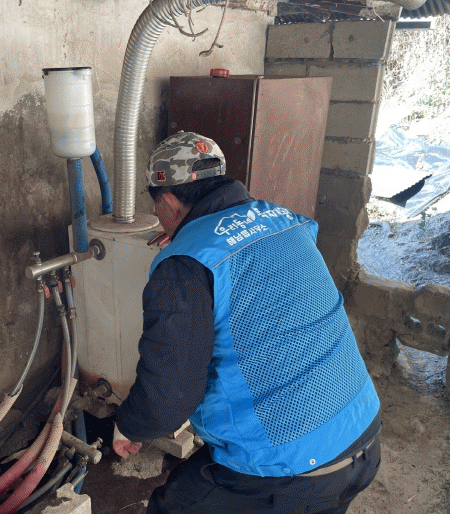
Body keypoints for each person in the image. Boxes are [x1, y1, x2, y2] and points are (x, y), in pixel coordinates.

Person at [113, 131, 381, 514]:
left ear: (168, 201)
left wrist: (130, 425)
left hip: (292, 468)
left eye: (156, 205)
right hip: (362, 431)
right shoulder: (286, 220)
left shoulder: (185, 267)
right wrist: (189, 239)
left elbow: (169, 398)